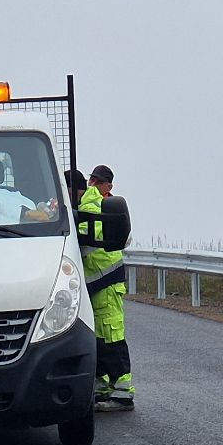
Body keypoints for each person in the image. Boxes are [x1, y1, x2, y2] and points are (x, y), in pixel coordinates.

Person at [77, 164, 133, 409]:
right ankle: (102, 387)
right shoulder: (82, 204)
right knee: (98, 338)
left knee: (111, 336)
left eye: (98, 181)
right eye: (93, 180)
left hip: (105, 282)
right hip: (93, 284)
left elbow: (87, 240)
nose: (95, 184)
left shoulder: (91, 205)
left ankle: (122, 392)